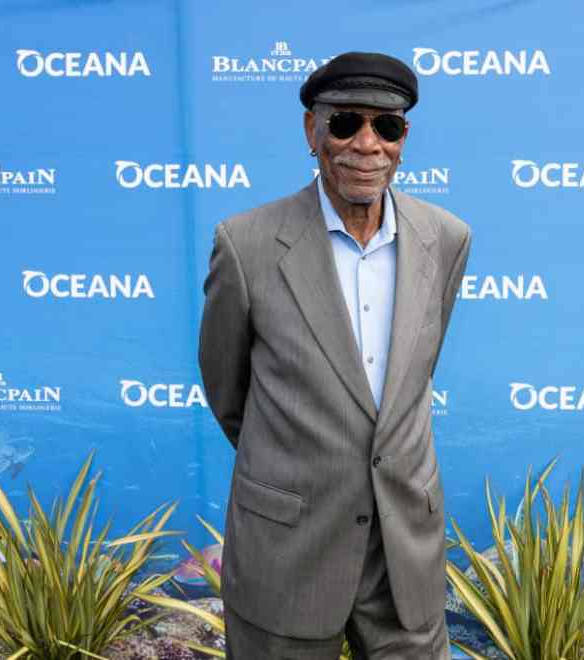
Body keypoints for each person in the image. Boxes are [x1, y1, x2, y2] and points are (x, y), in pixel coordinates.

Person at [198, 50, 472, 659]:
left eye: (388, 126)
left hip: (405, 556)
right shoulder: (245, 246)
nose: (367, 144)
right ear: (312, 131)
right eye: (346, 122)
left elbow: (414, 377)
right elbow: (229, 393)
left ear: (405, 138)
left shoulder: (447, 239)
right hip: (289, 553)